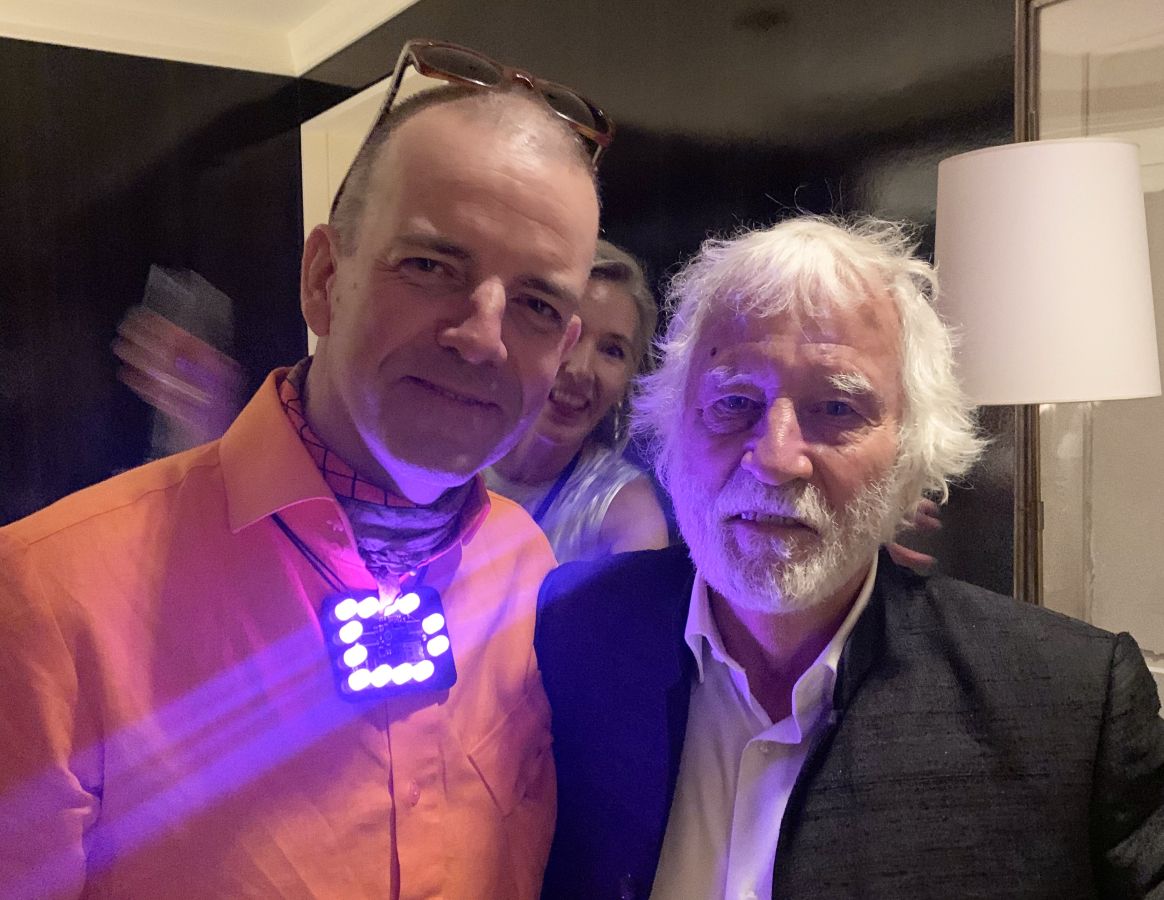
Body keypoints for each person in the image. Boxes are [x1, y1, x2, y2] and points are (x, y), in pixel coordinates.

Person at [0, 39, 609, 900]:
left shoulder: (528, 568)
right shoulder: (47, 598)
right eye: (431, 266)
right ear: (324, 277)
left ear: (565, 348)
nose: (482, 336)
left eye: (537, 305)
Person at [536, 216, 1164, 899]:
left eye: (837, 408)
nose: (776, 459)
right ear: (674, 424)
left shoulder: (1068, 709)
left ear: (912, 450)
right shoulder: (564, 636)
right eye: (735, 401)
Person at [486, 240, 669, 561]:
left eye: (612, 351)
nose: (581, 369)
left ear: (628, 382)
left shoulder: (629, 516)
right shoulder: (440, 445)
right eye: (567, 331)